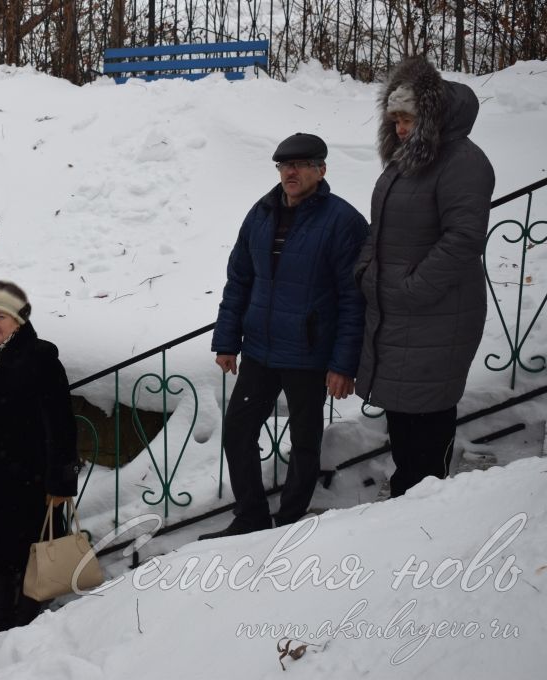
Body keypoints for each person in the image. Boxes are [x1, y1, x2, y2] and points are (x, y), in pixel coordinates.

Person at [203, 133, 369, 539]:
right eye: (283, 165)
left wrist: (343, 364)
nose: (290, 172)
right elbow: (239, 280)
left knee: (305, 442)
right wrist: (227, 340)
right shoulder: (261, 213)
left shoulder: (343, 221)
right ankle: (251, 517)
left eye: (300, 164)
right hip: (259, 350)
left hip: (310, 355)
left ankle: (289, 522)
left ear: (321, 170)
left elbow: (354, 299)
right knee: (239, 431)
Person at [355, 57, 495, 497]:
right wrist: (366, 269)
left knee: (428, 417)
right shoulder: (407, 161)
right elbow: (384, 229)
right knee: (403, 413)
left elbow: (464, 238)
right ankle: (406, 495)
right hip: (401, 312)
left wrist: (413, 287)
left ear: (432, 117)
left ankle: (424, 509)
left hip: (438, 313)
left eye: (408, 118)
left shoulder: (462, 162)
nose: (399, 129)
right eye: (394, 119)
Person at [0, 280, 80, 642]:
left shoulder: (40, 359)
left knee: (31, 546)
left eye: (1, 316)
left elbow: (61, 425)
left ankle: (28, 613)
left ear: (18, 320)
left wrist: (60, 479)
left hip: (27, 478)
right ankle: (1, 614)